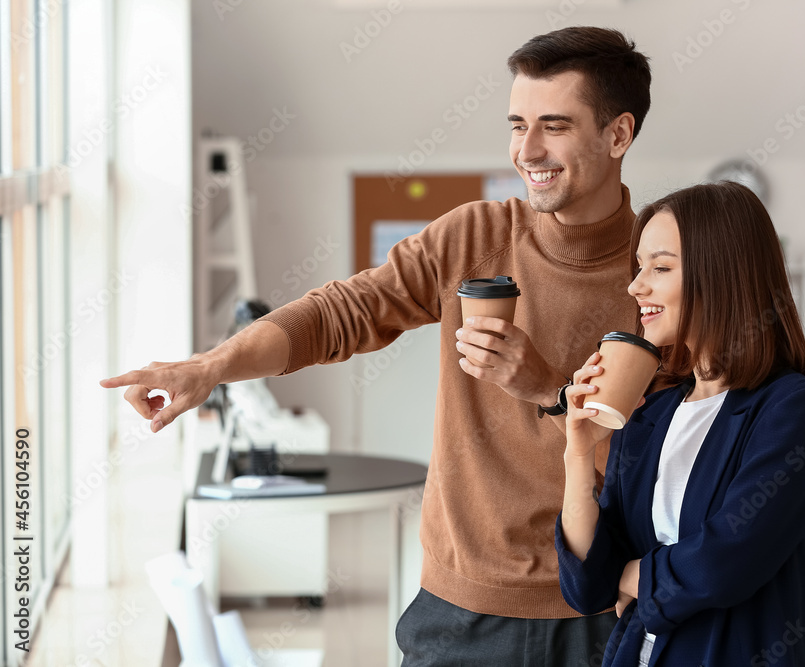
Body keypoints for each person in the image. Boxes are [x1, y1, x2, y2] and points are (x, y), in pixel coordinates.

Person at [101, 27, 652, 665]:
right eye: (516, 124)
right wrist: (213, 366)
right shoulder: (474, 234)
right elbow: (343, 312)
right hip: (458, 611)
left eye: (554, 125)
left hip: (597, 609)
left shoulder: (659, 273)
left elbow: (666, 451)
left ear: (618, 135)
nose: (527, 150)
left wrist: (542, 386)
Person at [556, 182, 805, 667]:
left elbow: (723, 564)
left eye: (660, 268)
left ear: (723, 276)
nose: (635, 285)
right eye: (639, 266)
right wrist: (579, 453)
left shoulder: (793, 410)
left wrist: (629, 577)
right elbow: (587, 585)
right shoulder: (651, 412)